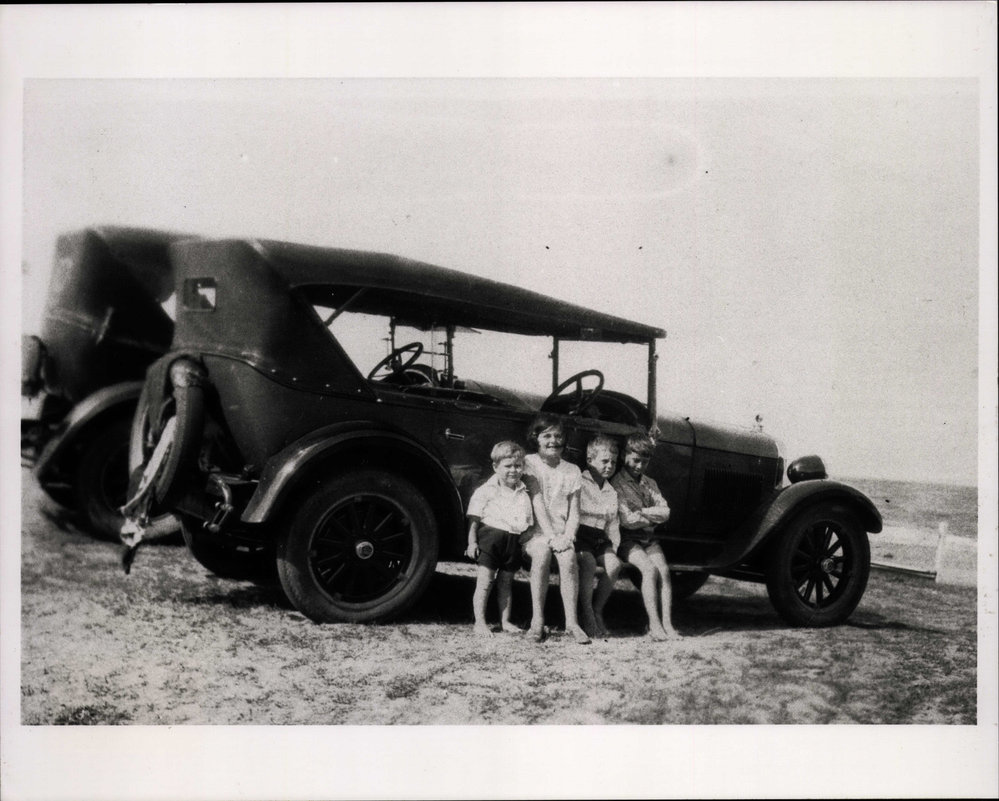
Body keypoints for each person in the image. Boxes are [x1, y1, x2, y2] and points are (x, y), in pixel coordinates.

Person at [520, 414, 591, 644]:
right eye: (547, 435)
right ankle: (537, 620)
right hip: (536, 532)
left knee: (569, 557)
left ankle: (572, 623)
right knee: (541, 554)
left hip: (561, 533)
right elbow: (537, 502)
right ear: (536, 438)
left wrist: (568, 536)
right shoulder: (530, 463)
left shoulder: (572, 470)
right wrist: (551, 537)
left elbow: (575, 511)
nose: (553, 440)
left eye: (558, 435)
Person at [610, 432, 680, 641]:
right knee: (649, 571)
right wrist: (651, 516)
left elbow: (665, 511)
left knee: (664, 573)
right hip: (627, 539)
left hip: (648, 539)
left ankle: (668, 623)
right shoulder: (617, 483)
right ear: (625, 456)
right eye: (635, 460)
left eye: (645, 462)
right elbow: (626, 521)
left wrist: (642, 513)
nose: (639, 466)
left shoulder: (650, 483)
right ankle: (654, 625)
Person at [464, 441, 534, 637]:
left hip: (512, 541)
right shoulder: (486, 490)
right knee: (485, 582)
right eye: (508, 466)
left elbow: (527, 523)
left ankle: (505, 621)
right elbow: (474, 520)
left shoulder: (524, 493)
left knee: (506, 583)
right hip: (490, 539)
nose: (513, 470)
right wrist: (472, 542)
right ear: (495, 467)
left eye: (518, 466)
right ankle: (480, 622)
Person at [576, 435, 625, 639]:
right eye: (604, 461)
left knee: (614, 565)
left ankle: (597, 609)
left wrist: (613, 547)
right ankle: (586, 612)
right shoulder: (580, 481)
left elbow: (613, 523)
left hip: (600, 537)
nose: (609, 466)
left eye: (613, 462)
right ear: (590, 460)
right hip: (580, 533)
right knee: (587, 563)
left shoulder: (611, 491)